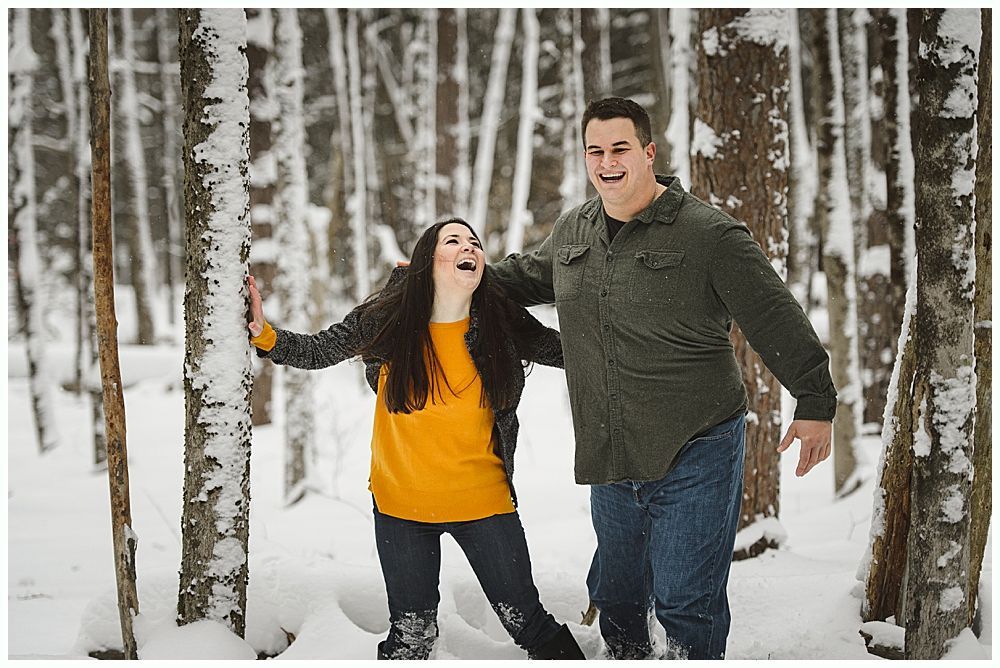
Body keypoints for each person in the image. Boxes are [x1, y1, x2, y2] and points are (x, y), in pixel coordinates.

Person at [489, 97, 837, 660]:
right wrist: (453, 271)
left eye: (620, 148)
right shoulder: (576, 227)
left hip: (695, 445)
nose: (607, 162)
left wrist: (816, 402)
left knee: (685, 601)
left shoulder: (708, 236)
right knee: (617, 597)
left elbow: (775, 316)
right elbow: (526, 277)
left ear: (648, 152)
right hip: (611, 450)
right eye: (595, 151)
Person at [246, 219, 585, 661]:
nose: (470, 248)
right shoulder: (391, 318)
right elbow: (319, 350)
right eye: (454, 241)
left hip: (484, 503)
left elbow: (574, 353)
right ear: (429, 260)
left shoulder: (501, 320)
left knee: (528, 624)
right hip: (401, 507)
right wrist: (263, 333)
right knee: (411, 636)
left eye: (475, 243)